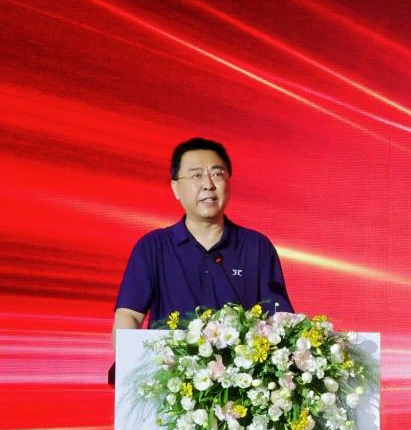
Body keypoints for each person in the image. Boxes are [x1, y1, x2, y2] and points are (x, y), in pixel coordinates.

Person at [112, 137, 293, 346]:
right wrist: (128, 355)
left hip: (242, 364)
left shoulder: (257, 247)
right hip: (171, 365)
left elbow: (279, 319)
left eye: (217, 174)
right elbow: (129, 315)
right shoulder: (153, 247)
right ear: (176, 188)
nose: (208, 185)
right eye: (196, 176)